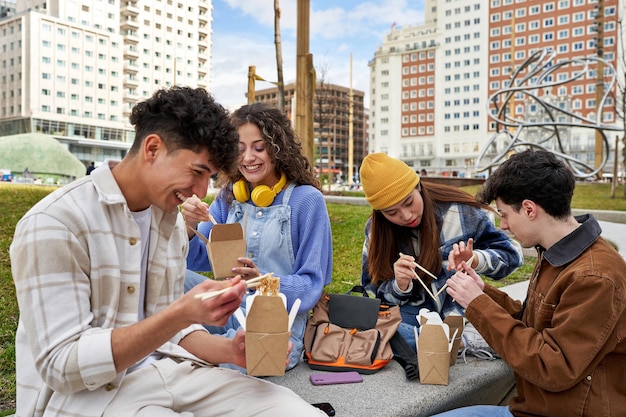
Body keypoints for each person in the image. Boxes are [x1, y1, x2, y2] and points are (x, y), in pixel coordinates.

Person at [10, 87, 326, 417]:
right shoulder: (55, 223)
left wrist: (230, 350)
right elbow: (63, 366)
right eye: (198, 172)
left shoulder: (170, 223)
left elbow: (175, 330)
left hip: (171, 372)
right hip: (88, 395)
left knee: (295, 410)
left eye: (210, 177)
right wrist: (181, 312)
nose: (202, 192)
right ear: (152, 149)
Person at [432, 149, 626, 417]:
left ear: (529, 209)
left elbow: (554, 366)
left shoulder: (594, 277)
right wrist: (482, 293)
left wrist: (477, 304)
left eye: (505, 215)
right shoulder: (562, 253)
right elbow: (531, 324)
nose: (503, 226)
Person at [182, 102, 332, 370]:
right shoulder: (228, 197)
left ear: (277, 149)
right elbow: (196, 260)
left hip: (275, 325)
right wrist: (188, 225)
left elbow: (311, 285)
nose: (248, 157)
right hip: (228, 308)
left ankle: (205, 349)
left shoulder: (307, 201)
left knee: (215, 365)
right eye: (239, 149)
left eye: (259, 147)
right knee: (170, 277)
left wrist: (264, 282)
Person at [359, 153, 524, 350]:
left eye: (409, 202)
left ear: (418, 186)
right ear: (380, 213)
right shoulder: (376, 231)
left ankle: (450, 340)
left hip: (461, 315)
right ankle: (449, 342)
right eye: (391, 212)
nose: (406, 215)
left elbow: (513, 255)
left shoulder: (461, 212)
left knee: (387, 337)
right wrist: (399, 286)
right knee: (380, 328)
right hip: (410, 317)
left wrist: (476, 259)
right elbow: (373, 294)